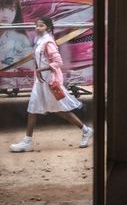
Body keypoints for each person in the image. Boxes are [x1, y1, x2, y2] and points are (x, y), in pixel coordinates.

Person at [9, 16, 93, 152]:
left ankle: (86, 130)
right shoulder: (40, 40)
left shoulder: (48, 42)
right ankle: (27, 141)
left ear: (47, 27)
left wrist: (43, 68)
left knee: (59, 109)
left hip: (48, 81)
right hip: (41, 81)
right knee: (33, 108)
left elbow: (58, 62)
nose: (37, 28)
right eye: (36, 25)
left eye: (41, 25)